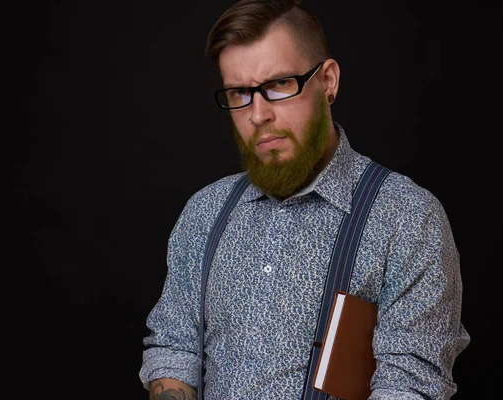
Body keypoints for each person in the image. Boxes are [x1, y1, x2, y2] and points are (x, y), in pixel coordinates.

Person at [139, 0, 470, 399]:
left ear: (328, 81)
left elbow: (411, 386)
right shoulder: (205, 212)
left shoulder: (408, 218)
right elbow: (174, 348)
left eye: (279, 84)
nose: (258, 114)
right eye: (240, 92)